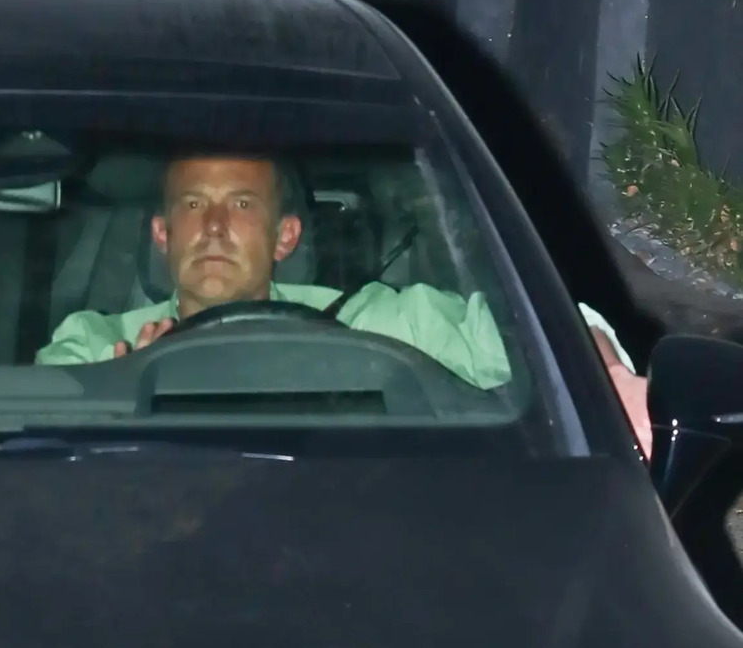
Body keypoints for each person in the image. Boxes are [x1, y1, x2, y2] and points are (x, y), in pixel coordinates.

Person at [36, 152, 652, 457]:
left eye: (242, 205)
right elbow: (32, 447)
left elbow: (543, 331)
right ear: (163, 234)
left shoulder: (366, 324)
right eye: (194, 205)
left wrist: (607, 376)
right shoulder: (96, 343)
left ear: (285, 237)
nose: (216, 227)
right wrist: (120, 392)